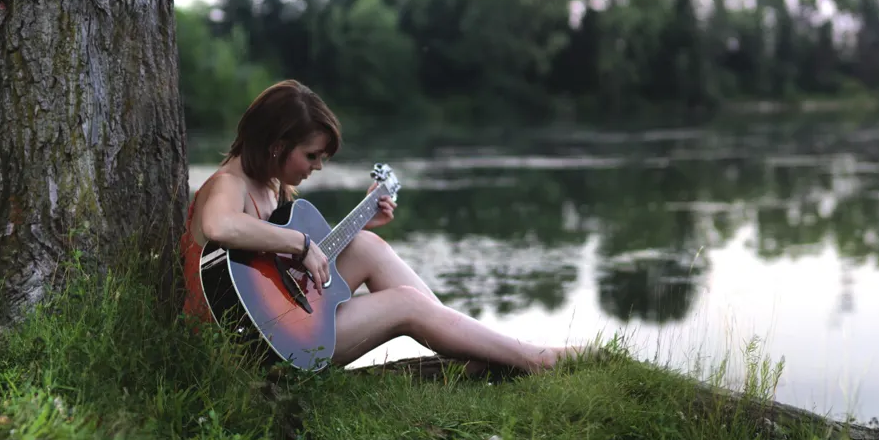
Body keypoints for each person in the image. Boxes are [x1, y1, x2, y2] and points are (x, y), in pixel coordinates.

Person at [180, 79, 583, 373]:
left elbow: (280, 269)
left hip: (288, 322)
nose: (318, 166)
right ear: (277, 145)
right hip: (256, 345)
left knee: (369, 245)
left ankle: (474, 352)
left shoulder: (273, 185)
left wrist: (359, 223)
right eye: (312, 155)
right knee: (405, 302)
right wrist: (301, 242)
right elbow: (220, 225)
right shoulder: (228, 185)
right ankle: (536, 359)